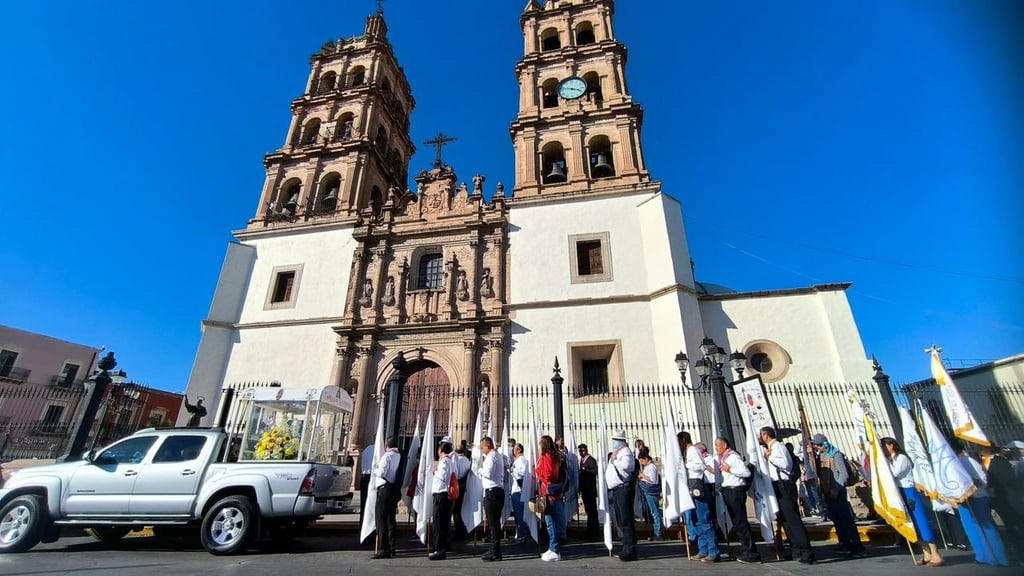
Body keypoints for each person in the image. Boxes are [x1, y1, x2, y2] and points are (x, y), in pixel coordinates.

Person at [880, 437, 943, 566]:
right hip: (899, 492)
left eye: (884, 446)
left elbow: (895, 473)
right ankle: (926, 553)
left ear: (891, 445)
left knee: (921, 522)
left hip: (909, 491)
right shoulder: (890, 460)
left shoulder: (902, 458)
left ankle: (935, 553)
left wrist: (884, 463)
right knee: (913, 525)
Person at [760, 426, 815, 564]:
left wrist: (770, 457)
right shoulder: (770, 449)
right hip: (776, 486)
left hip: (784, 485)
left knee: (793, 519)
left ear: (766, 436)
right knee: (784, 519)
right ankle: (795, 549)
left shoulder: (778, 447)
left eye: (761, 435)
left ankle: (806, 551)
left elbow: (786, 464)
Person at [952, 439, 1009, 567]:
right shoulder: (954, 463)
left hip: (977, 498)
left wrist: (970, 484)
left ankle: (999, 557)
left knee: (986, 527)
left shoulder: (968, 461)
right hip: (963, 500)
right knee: (971, 528)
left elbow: (983, 479)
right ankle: (983, 556)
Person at [810, 433, 866, 558]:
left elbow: (843, 474)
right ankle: (844, 543)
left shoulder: (836, 454)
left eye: (818, 445)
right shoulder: (820, 456)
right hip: (827, 491)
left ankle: (857, 546)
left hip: (837, 492)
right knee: (837, 519)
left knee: (846, 520)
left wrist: (837, 488)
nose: (817, 448)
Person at [715, 436, 761, 564]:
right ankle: (746, 550)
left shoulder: (733, 457)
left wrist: (730, 469)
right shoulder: (725, 458)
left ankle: (751, 552)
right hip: (728, 490)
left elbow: (746, 473)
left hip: (735, 490)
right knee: (737, 522)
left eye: (717, 446)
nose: (716, 448)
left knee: (741, 522)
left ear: (724, 445)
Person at [680, 431, 718, 562]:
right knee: (696, 520)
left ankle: (713, 551)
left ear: (684, 440)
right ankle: (703, 549)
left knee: (704, 518)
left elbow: (701, 466)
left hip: (698, 485)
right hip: (690, 486)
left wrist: (685, 465)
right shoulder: (686, 452)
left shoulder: (693, 450)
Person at [980, 444, 1023, 547]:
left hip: (1009, 497)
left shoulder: (999, 461)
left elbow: (1008, 479)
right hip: (999, 499)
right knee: (1010, 524)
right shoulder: (984, 462)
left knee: (1018, 523)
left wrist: (992, 483)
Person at [608, 429, 638, 562]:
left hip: (622, 488)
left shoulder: (625, 452)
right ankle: (626, 546)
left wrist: (614, 462)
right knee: (621, 519)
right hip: (616, 489)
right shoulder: (618, 452)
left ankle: (630, 549)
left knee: (626, 519)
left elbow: (627, 466)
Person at [537, 434, 568, 562]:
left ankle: (554, 548)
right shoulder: (556, 456)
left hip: (549, 493)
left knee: (551, 522)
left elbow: (548, 474)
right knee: (554, 520)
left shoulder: (547, 456)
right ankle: (554, 546)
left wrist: (539, 473)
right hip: (555, 493)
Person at [371, 436, 402, 559]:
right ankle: (392, 545)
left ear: (386, 446)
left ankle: (383, 548)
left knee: (381, 519)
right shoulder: (399, 456)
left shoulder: (386, 457)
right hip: (394, 489)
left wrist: (375, 469)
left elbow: (382, 472)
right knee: (391, 519)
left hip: (384, 489)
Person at [429, 436, 456, 561]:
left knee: (439, 523)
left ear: (441, 449)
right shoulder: (449, 460)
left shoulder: (444, 461)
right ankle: (443, 546)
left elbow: (443, 476)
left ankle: (439, 549)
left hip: (441, 494)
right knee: (443, 522)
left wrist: (434, 471)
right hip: (444, 494)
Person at [479, 436, 505, 562]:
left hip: (492, 492)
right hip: (496, 492)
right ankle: (494, 549)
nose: (481, 449)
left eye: (482, 447)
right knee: (494, 522)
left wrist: (479, 469)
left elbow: (488, 473)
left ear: (487, 446)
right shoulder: (497, 456)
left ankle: (495, 552)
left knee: (493, 523)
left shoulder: (491, 457)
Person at [637, 448, 663, 541]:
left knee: (655, 512)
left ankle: (658, 532)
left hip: (651, 491)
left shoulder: (651, 467)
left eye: (642, 461)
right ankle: (656, 531)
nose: (641, 463)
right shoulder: (647, 467)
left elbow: (652, 480)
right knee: (653, 512)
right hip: (648, 491)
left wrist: (642, 476)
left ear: (646, 458)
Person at [578, 443, 600, 540]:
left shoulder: (590, 460)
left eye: (583, 451)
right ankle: (590, 531)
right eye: (580, 451)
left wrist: (585, 470)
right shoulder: (581, 461)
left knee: (592, 512)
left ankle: (594, 532)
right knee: (589, 511)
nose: (581, 453)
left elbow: (595, 471)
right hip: (585, 489)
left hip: (590, 489)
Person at [509, 443, 530, 543]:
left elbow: (523, 473)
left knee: (520, 514)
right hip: (517, 491)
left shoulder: (521, 460)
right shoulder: (520, 460)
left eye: (514, 449)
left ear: (518, 450)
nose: (512, 451)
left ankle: (522, 535)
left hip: (518, 491)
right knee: (518, 514)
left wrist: (514, 470)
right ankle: (519, 534)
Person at [451, 440, 471, 541]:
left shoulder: (455, 461)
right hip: (464, 487)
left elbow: (455, 473)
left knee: (456, 510)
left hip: (456, 486)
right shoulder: (468, 461)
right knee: (460, 509)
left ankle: (459, 531)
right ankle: (462, 529)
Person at [359, 442, 376, 531]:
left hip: (364, 477)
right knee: (372, 505)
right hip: (372, 477)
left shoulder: (366, 450)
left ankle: (362, 527)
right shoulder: (378, 450)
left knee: (364, 505)